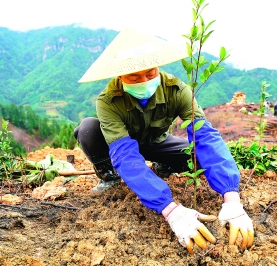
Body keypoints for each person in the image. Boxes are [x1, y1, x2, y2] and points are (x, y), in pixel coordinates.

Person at [73, 28, 254, 254]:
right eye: (134, 77)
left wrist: (232, 198)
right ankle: (108, 174)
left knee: (193, 156)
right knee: (88, 128)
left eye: (150, 74)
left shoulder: (176, 90)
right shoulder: (109, 101)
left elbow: (204, 136)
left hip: (157, 142)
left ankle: (164, 165)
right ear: (120, 76)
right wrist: (171, 209)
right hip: (122, 145)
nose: (144, 81)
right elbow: (125, 155)